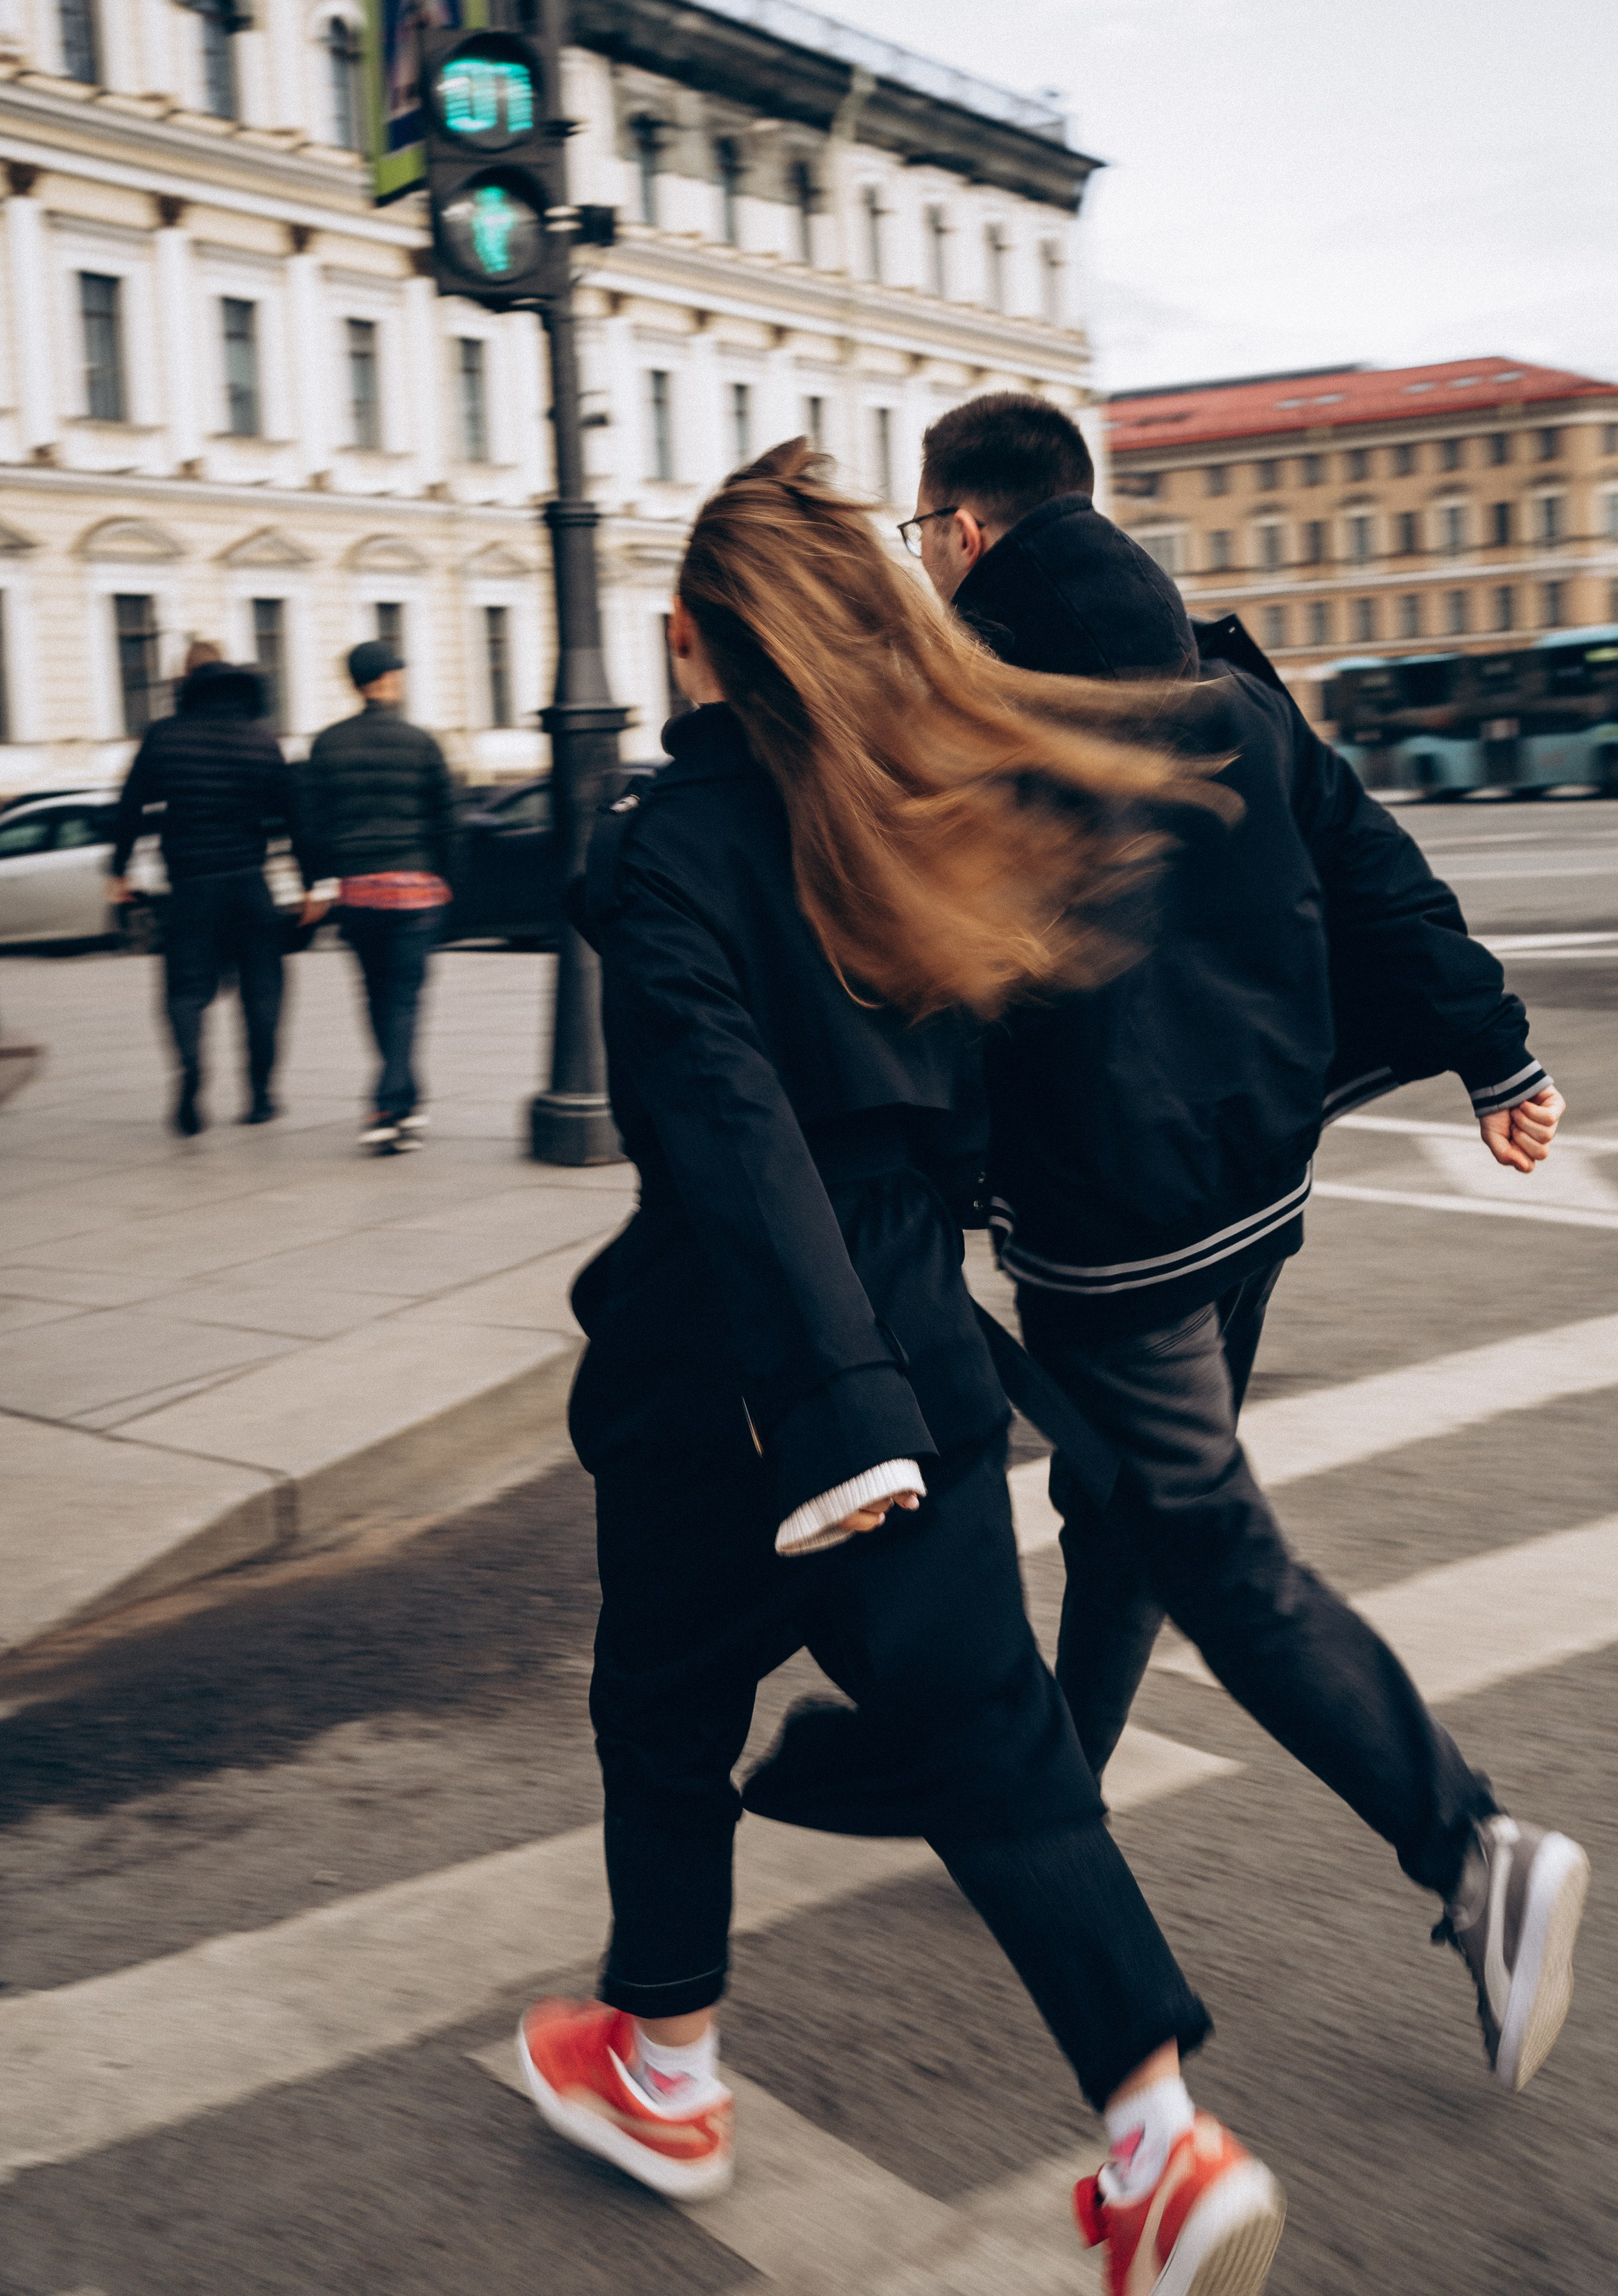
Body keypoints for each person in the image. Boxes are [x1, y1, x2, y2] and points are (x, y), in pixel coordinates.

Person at [517, 443, 1289, 2296]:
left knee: (665, 1709)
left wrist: (830, 1404)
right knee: (1002, 1746)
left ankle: (671, 2068)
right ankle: (1163, 2150)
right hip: (919, 1343)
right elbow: (987, 1102)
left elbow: (722, 1122)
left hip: (752, 1365)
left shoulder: (674, 847)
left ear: (695, 639)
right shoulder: (908, 820)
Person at [910, 391, 1589, 2098]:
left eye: (923, 533)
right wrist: (1495, 1051)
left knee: (1205, 1536)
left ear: (969, 530)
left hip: (1114, 1220)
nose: (920, 564)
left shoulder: (979, 723)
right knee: (1141, 1499)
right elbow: (1378, 877)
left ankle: (1469, 1850)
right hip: (1251, 1185)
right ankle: (1051, 1780)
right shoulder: (1229, 689)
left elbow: (923, 983)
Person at [109, 641, 312, 1133]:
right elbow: (294, 816)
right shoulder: (261, 739)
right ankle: (261, 1095)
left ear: (186, 685)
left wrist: (120, 871)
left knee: (185, 990)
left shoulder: (164, 736)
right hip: (249, 883)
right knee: (263, 992)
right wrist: (311, 883)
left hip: (191, 886)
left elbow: (130, 806)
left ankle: (191, 1072)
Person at [303, 640, 455, 1154]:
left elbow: (313, 824)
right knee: (406, 1000)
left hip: (359, 893)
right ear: (389, 679)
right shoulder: (421, 742)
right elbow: (448, 819)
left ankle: (405, 1101)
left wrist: (318, 882)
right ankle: (390, 1104)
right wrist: (450, 879)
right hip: (416, 892)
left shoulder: (327, 744)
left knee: (376, 997)